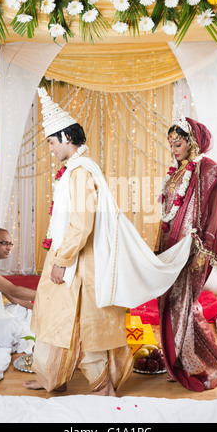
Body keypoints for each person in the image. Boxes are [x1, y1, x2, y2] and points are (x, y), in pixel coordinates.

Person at [25, 88, 134, 396]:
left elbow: (81, 223)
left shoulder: (80, 172)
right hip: (70, 256)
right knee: (55, 316)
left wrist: (62, 261)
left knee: (84, 324)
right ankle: (51, 376)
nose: (49, 149)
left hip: (80, 263)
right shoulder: (77, 168)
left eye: (50, 142)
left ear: (66, 139)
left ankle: (102, 386)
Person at [155, 107, 217, 392]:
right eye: (171, 145)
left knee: (181, 303)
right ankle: (182, 356)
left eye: (177, 143)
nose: (173, 149)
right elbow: (168, 212)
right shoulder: (178, 172)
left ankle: (194, 363)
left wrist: (202, 247)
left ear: (192, 141)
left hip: (192, 251)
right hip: (171, 248)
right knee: (170, 302)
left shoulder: (208, 169)